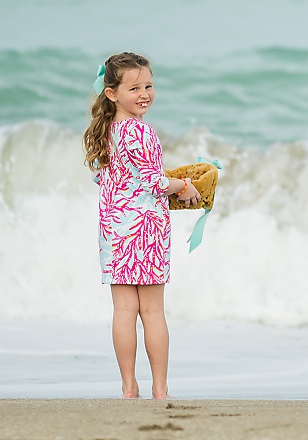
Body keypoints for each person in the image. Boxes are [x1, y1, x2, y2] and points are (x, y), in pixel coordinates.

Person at [82, 51, 201, 399]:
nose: (144, 94)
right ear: (112, 93)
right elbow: (153, 181)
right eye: (134, 88)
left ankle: (128, 387)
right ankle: (160, 390)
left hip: (114, 228)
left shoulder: (106, 131)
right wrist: (183, 185)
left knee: (123, 310)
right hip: (144, 229)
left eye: (148, 85)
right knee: (151, 311)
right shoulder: (142, 131)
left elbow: (103, 178)